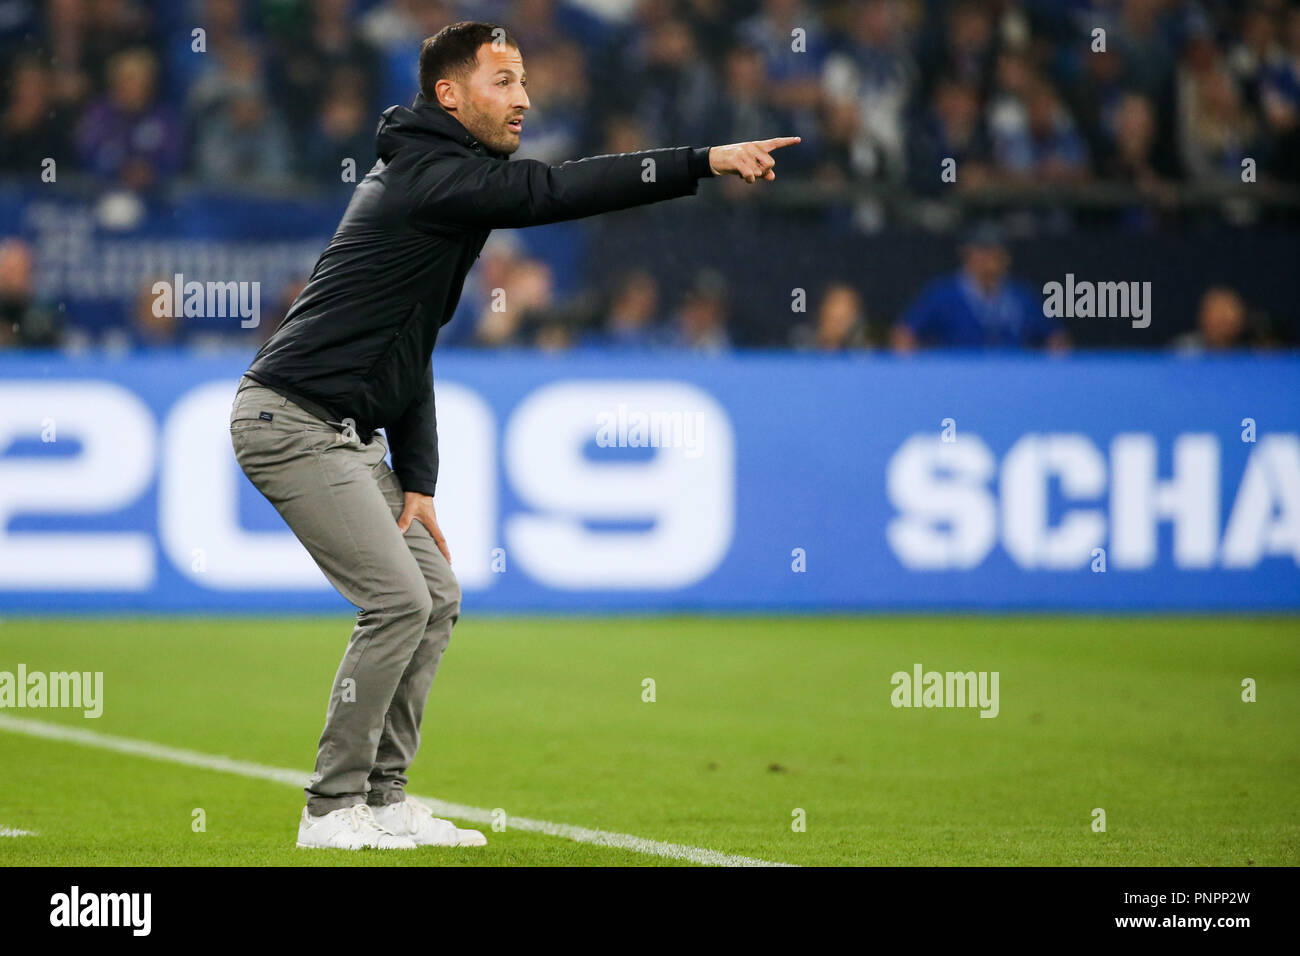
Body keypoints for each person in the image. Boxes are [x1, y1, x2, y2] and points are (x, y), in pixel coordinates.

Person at [229, 20, 798, 851]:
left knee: (436, 597)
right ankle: (329, 808)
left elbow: (408, 345)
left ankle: (385, 800)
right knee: (396, 601)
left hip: (344, 431)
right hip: (290, 422)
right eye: (503, 80)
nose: (524, 97)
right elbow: (553, 192)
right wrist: (701, 160)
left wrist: (416, 482)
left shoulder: (437, 179)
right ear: (449, 95)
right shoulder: (432, 177)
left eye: (525, 79)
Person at [892, 223, 1067, 352]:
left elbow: (1056, 338)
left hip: (1013, 377)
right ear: (966, 255)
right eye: (983, 251)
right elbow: (904, 335)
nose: (990, 260)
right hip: (958, 379)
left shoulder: (1021, 295)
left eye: (996, 252)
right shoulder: (943, 293)